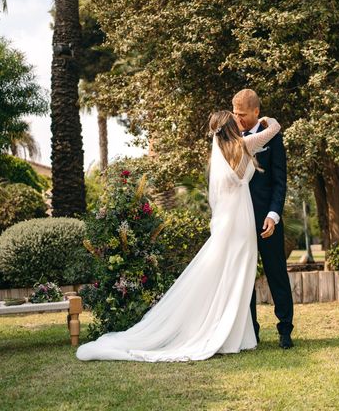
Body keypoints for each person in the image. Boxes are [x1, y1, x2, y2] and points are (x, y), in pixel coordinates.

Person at [76, 110, 281, 362]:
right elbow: (275, 128)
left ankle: (236, 334)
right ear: (230, 127)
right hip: (241, 221)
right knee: (237, 275)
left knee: (229, 275)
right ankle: (230, 335)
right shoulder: (244, 144)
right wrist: (265, 121)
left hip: (228, 219)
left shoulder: (221, 151)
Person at [232, 89, 294, 349]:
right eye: (235, 114)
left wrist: (273, 215)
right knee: (245, 278)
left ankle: (285, 330)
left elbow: (280, 182)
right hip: (240, 221)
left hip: (266, 220)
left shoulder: (274, 138)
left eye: (242, 114)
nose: (238, 119)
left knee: (276, 273)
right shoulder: (231, 136)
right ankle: (251, 332)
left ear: (256, 112)